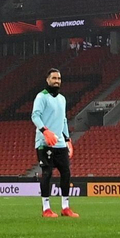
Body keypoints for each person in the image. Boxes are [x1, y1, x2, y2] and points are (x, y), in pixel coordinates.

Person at [33, 68, 77, 218]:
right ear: (47, 80)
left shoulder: (62, 99)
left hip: (59, 143)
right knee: (47, 173)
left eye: (59, 78)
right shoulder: (41, 97)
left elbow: (63, 120)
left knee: (66, 173)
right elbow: (35, 116)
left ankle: (65, 207)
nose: (57, 81)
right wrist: (45, 131)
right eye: (54, 78)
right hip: (45, 142)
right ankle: (46, 208)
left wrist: (67, 140)